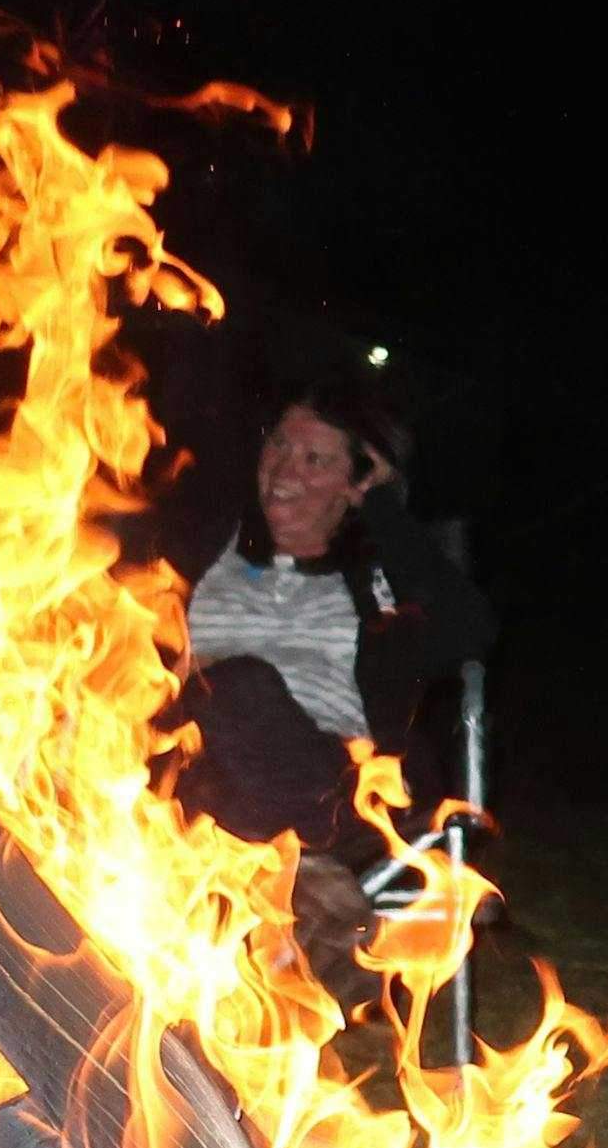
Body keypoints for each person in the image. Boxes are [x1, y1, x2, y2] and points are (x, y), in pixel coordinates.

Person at [163, 370, 497, 885]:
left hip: (334, 785)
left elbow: (469, 631)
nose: (281, 470)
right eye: (278, 444)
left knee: (239, 687)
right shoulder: (205, 546)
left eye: (313, 459)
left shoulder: (376, 583)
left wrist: (382, 505)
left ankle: (305, 856)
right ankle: (310, 886)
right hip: (193, 766)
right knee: (210, 713)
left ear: (354, 483)